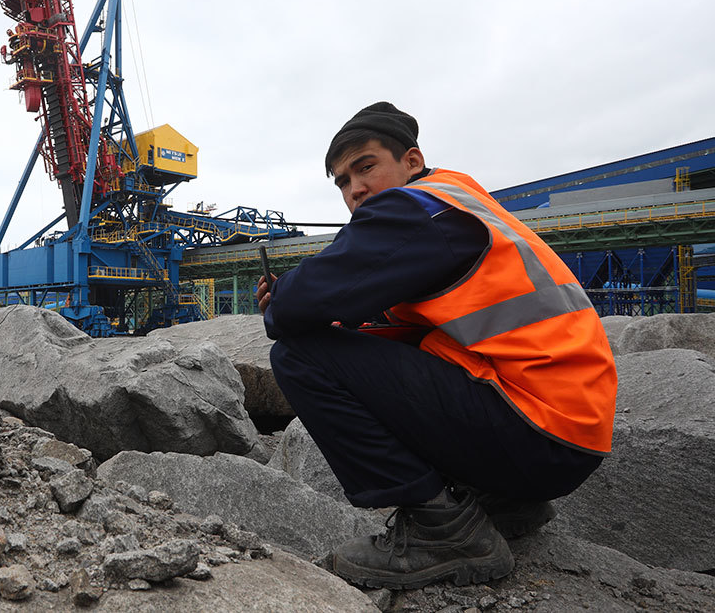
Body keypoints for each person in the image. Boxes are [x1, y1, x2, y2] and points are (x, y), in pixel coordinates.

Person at [256, 102, 617, 589]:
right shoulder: (458, 199)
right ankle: (504, 502)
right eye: (342, 181)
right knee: (360, 344)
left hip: (537, 431)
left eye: (365, 167)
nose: (354, 188)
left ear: (411, 160)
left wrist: (281, 301)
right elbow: (401, 329)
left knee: (299, 355)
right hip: (567, 436)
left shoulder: (415, 208)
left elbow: (298, 307)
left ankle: (442, 530)